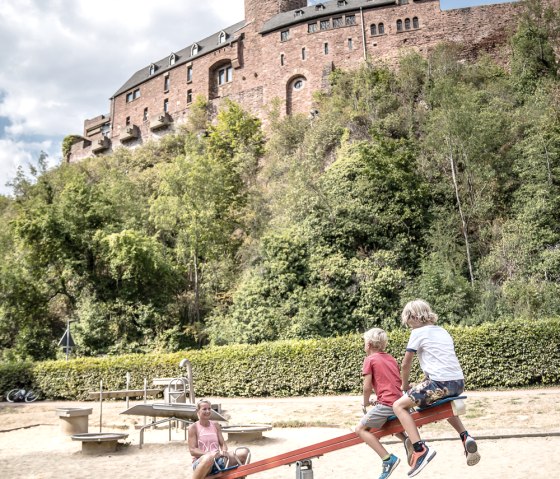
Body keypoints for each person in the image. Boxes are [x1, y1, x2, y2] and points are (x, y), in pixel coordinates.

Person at [392, 299, 481, 477]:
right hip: (457, 382)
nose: (408, 325)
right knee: (438, 404)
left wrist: (404, 385)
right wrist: (421, 383)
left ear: (414, 317)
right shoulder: (442, 331)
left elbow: (405, 364)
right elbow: (441, 360)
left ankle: (420, 449)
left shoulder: (417, 332)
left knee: (398, 406)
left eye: (408, 320)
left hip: (440, 384)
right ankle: (465, 436)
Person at [355, 327, 413, 479]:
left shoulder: (369, 360)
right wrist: (377, 400)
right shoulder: (390, 358)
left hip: (387, 404)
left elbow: (367, 387)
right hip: (398, 402)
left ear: (368, 344)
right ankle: (406, 439)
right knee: (387, 422)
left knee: (360, 429)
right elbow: (392, 384)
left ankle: (388, 459)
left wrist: (366, 402)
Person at [188, 399, 250, 479]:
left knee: (245, 452)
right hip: (202, 462)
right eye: (204, 409)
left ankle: (240, 476)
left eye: (209, 409)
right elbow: (192, 450)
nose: (207, 411)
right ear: (198, 411)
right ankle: (215, 477)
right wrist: (209, 454)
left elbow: (223, 444)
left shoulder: (216, 425)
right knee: (209, 457)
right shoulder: (193, 427)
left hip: (218, 460)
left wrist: (223, 451)